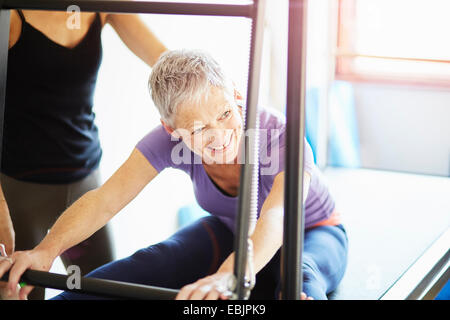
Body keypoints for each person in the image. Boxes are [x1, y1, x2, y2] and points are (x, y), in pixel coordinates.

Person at [0, 50, 348, 300]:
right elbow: (105, 201)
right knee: (152, 261)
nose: (220, 135)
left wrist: (229, 274)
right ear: (171, 129)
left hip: (313, 233)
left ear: (237, 97)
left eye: (226, 114)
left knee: (301, 280)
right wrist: (44, 252)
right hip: (230, 231)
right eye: (198, 129)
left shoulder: (279, 137)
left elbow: (276, 215)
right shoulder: (164, 142)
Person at [0, 9, 167, 299]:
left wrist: (219, 103)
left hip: (85, 182)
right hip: (20, 191)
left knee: (102, 288)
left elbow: (168, 64)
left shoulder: (101, 5)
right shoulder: (11, 14)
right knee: (21, 293)